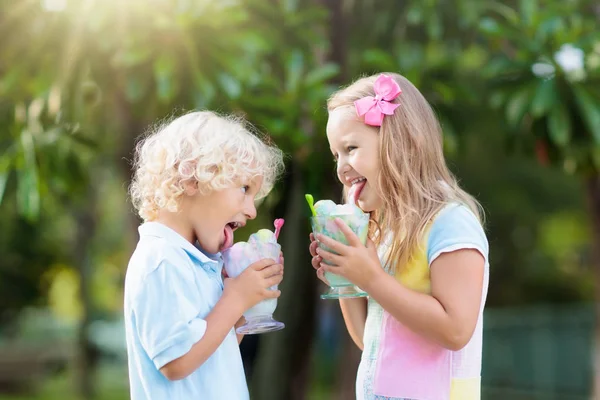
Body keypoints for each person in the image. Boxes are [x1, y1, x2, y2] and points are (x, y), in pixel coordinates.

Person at [309, 73, 489, 400]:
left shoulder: (450, 222)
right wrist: (345, 280)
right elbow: (372, 342)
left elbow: (456, 329)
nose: (341, 168)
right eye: (336, 155)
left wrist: (371, 278)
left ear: (400, 141)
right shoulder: (387, 232)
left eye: (350, 148)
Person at [125, 110, 285, 399]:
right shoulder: (161, 260)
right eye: (244, 189)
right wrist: (236, 298)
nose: (252, 210)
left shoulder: (196, 261)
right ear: (192, 179)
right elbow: (176, 362)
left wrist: (247, 300)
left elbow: (216, 352)